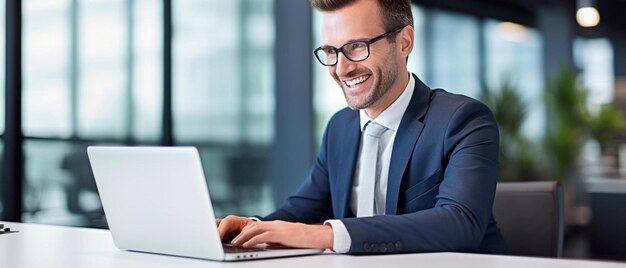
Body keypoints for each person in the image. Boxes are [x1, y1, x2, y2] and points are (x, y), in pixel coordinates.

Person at [217, 0, 509, 254]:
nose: (341, 69)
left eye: (357, 46)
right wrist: (249, 229)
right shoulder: (339, 129)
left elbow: (459, 222)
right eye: (331, 51)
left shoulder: (463, 120)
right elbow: (299, 214)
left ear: (404, 42)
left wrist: (328, 234)